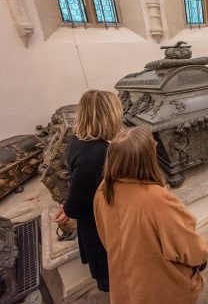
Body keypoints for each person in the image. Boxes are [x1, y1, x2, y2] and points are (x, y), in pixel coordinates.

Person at [93, 127, 208, 304]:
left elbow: (106, 239)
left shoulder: (102, 192)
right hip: (162, 290)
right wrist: (203, 254)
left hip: (125, 290)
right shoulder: (156, 199)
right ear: (147, 158)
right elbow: (189, 247)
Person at [53, 90, 123, 292]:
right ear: (110, 116)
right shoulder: (96, 154)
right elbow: (77, 205)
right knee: (117, 282)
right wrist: (69, 207)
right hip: (101, 231)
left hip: (96, 225)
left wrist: (67, 206)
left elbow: (79, 185)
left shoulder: (78, 140)